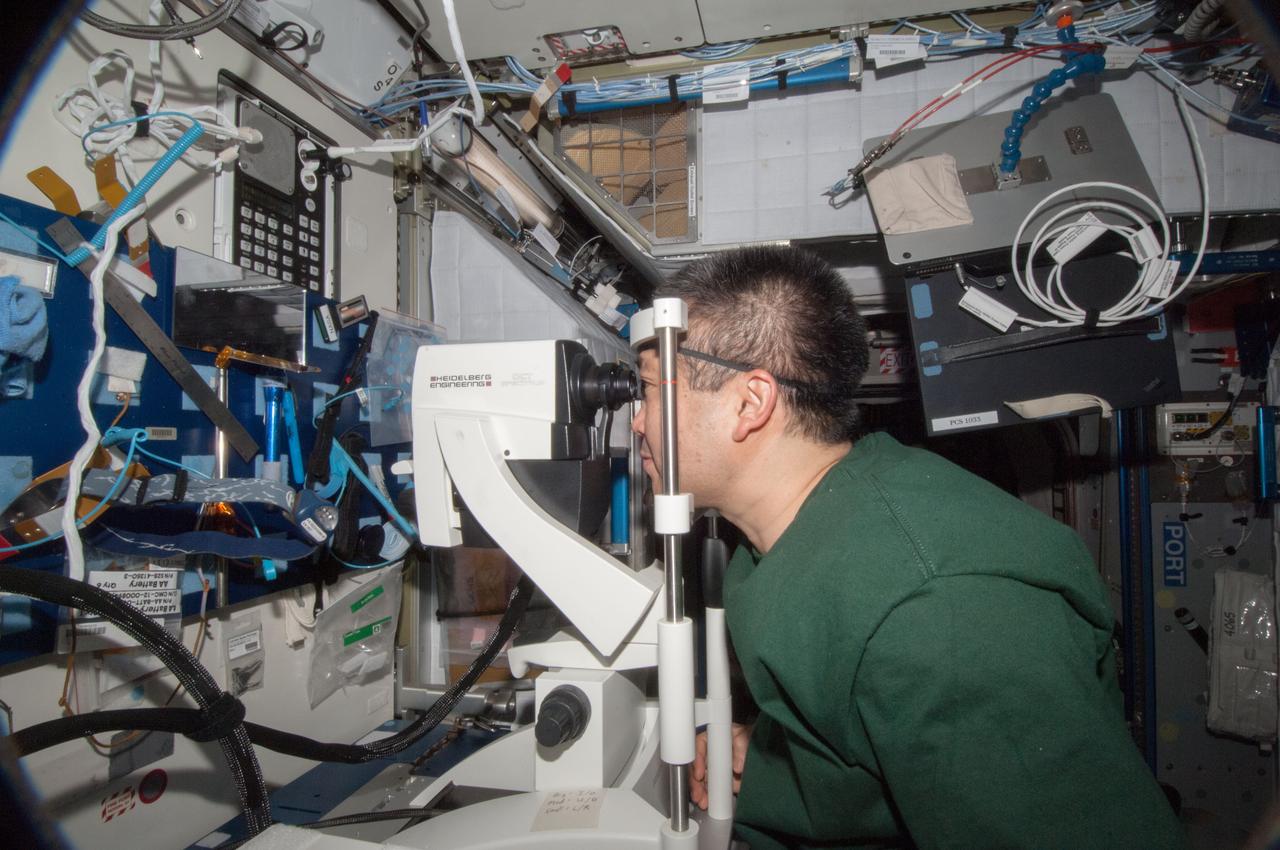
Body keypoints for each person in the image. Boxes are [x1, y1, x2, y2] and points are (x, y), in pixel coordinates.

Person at [630, 245, 1188, 850]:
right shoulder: (793, 535)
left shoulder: (941, 608)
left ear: (750, 402)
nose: (637, 422)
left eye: (652, 392)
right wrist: (765, 754)